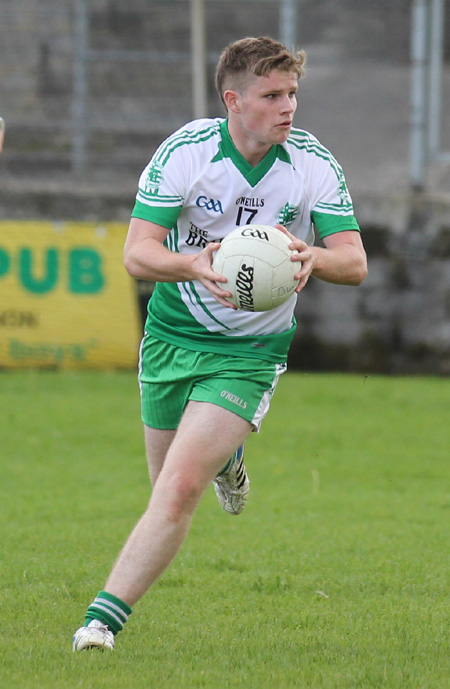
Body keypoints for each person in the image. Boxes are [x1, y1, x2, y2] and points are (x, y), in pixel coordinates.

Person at [72, 35, 367, 652]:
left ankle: (100, 625)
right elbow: (137, 254)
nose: (288, 106)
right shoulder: (188, 152)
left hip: (250, 353)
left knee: (180, 488)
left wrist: (310, 255)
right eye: (271, 95)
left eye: (292, 93)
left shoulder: (311, 162)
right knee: (164, 484)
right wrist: (196, 266)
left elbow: (354, 262)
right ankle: (225, 457)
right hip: (173, 335)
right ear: (233, 100)